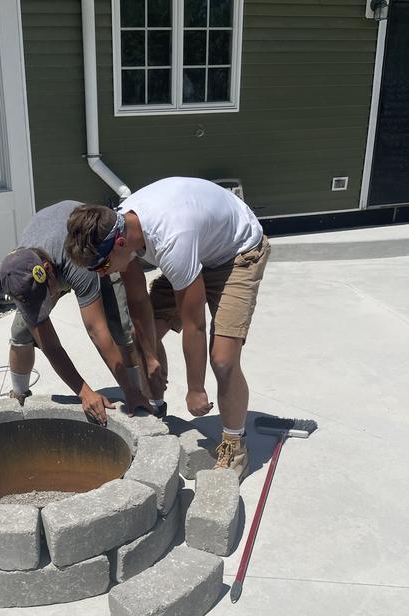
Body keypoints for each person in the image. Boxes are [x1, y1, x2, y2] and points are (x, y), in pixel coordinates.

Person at [64, 177, 271, 480]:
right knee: (142, 336)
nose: (101, 274)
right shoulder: (121, 227)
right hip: (201, 249)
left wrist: (195, 388)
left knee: (223, 359)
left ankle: (234, 447)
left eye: (102, 266)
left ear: (120, 244)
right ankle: (156, 408)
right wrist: (149, 355)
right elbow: (138, 305)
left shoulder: (172, 240)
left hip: (238, 253)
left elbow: (195, 324)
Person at [0, 200, 151, 425]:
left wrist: (128, 390)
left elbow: (96, 330)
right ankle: (19, 397)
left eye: (46, 295)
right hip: (53, 248)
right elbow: (51, 346)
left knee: (118, 327)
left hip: (98, 249)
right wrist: (84, 392)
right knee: (21, 333)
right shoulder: (18, 274)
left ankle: (136, 393)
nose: (47, 302)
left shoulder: (79, 263)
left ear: (49, 271)